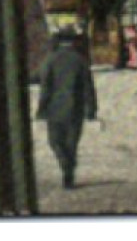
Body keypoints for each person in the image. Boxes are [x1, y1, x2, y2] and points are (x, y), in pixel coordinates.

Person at [36, 27, 98, 190]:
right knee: (72, 143)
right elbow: (88, 87)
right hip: (75, 109)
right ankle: (69, 170)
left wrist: (41, 109)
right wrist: (91, 109)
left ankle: (66, 164)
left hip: (55, 109)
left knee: (55, 141)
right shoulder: (80, 61)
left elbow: (46, 88)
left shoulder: (51, 60)